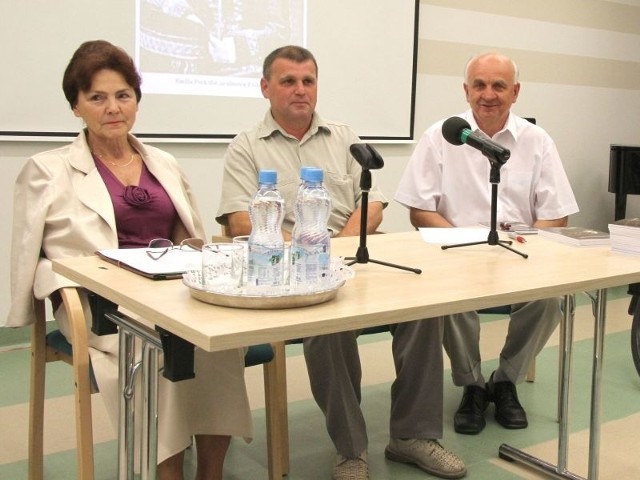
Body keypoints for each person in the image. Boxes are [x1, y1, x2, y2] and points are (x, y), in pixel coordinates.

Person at [216, 45, 466, 480]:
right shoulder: (245, 147)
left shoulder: (344, 135)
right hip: (292, 269)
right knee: (326, 329)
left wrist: (343, 244)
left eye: (308, 81)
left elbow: (373, 203)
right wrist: (309, 250)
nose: (300, 90)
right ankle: (351, 450)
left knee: (425, 307)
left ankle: (412, 435)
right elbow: (240, 220)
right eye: (288, 81)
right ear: (265, 88)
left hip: (355, 256)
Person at [5, 40, 252, 480]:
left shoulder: (163, 162)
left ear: (137, 100)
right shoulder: (48, 169)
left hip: (169, 292)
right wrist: (32, 306)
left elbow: (188, 236)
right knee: (159, 349)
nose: (112, 108)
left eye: (123, 95)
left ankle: (210, 473)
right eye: (96, 97)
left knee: (218, 343)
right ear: (76, 107)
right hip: (99, 303)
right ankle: (166, 471)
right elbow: (31, 253)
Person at [395, 52, 579, 435]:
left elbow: (556, 214)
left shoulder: (537, 141)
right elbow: (419, 210)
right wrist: (459, 243)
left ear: (515, 92)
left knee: (549, 299)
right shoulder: (439, 136)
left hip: (521, 254)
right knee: (448, 298)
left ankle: (505, 379)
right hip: (457, 254)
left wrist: (529, 248)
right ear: (466, 90)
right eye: (479, 85)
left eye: (499, 85)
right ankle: (473, 384)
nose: (488, 94)